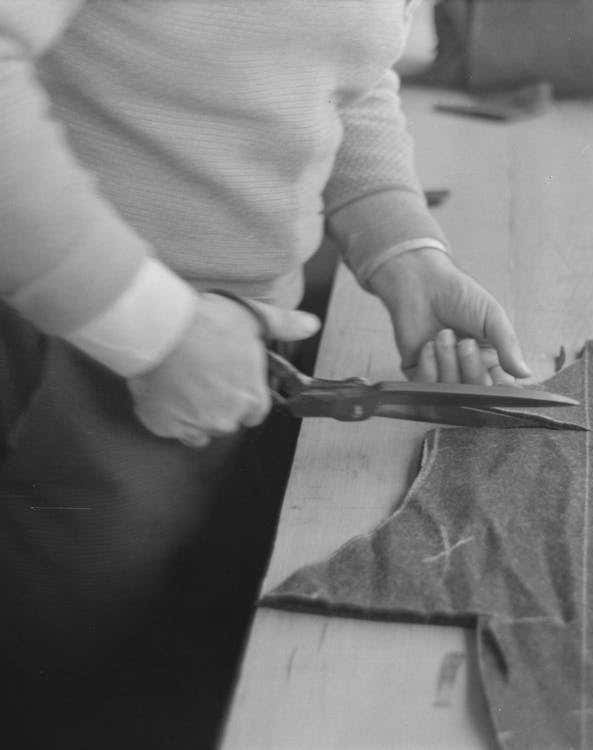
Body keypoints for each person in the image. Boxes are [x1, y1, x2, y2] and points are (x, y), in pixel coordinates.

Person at [0, 1, 529, 746]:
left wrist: (404, 249)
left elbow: (346, 71)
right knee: (56, 659)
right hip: (69, 349)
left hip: (222, 351)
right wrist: (152, 327)